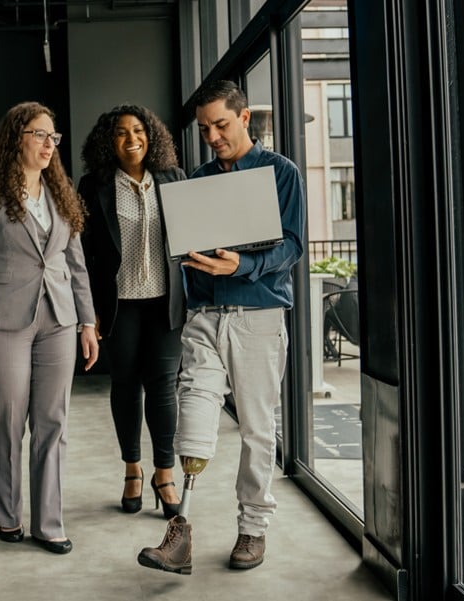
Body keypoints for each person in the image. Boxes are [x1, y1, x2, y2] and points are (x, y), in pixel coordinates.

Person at [137, 80, 306, 574]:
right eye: (205, 128)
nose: (212, 135)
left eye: (221, 125)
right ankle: (180, 533)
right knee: (193, 418)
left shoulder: (281, 173)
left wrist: (242, 266)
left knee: (257, 429)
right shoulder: (201, 179)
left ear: (245, 117)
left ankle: (252, 529)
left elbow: (292, 246)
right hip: (205, 317)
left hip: (257, 316)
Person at [0, 101, 100, 555]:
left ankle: (49, 523)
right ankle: (7, 515)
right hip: (2, 320)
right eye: (39, 134)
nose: (48, 145)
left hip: (59, 319)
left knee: (52, 421)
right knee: (8, 419)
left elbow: (75, 264)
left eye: (53, 138)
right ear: (17, 137)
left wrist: (89, 321)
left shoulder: (61, 193)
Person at [77, 104, 186, 518]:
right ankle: (132, 469)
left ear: (151, 136)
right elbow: (83, 252)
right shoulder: (94, 185)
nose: (131, 139)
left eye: (138, 131)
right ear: (110, 141)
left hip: (164, 302)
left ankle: (164, 472)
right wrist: (89, 308)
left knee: (163, 386)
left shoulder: (174, 179)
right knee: (125, 385)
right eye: (121, 133)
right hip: (118, 304)